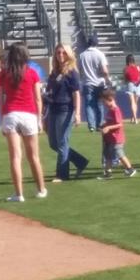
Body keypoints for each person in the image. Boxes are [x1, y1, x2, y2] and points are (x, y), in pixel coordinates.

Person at [0, 43, 46, 202]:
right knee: (34, 156)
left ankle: (19, 194)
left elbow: (0, 99)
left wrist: (2, 118)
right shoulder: (32, 73)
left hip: (11, 114)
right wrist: (40, 120)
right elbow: (38, 99)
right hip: (29, 115)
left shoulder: (4, 74)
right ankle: (41, 189)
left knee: (15, 157)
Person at [45, 44, 88, 182]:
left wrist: (77, 113)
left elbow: (76, 93)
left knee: (62, 142)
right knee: (53, 143)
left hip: (65, 110)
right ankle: (80, 161)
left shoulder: (72, 73)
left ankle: (62, 174)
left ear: (69, 55)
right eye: (58, 52)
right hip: (53, 109)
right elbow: (50, 91)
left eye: (64, 52)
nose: (61, 55)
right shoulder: (54, 72)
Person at [98, 88, 137, 179]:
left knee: (119, 153)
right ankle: (108, 172)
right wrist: (103, 126)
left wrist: (108, 127)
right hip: (109, 138)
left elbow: (119, 124)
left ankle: (130, 169)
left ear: (110, 99)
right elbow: (110, 122)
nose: (104, 104)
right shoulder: (110, 110)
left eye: (104, 102)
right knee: (108, 155)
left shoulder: (116, 110)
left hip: (116, 139)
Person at [77, 35, 109, 131]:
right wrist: (107, 79)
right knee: (99, 104)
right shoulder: (100, 54)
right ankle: (100, 124)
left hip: (87, 82)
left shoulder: (82, 55)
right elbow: (105, 71)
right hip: (99, 83)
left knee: (89, 105)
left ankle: (91, 125)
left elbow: (78, 70)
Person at [123, 54, 140, 124]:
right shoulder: (138, 67)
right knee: (135, 103)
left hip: (130, 84)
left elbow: (125, 79)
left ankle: (134, 118)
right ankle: (134, 117)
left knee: (132, 102)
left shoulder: (125, 68)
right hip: (137, 85)